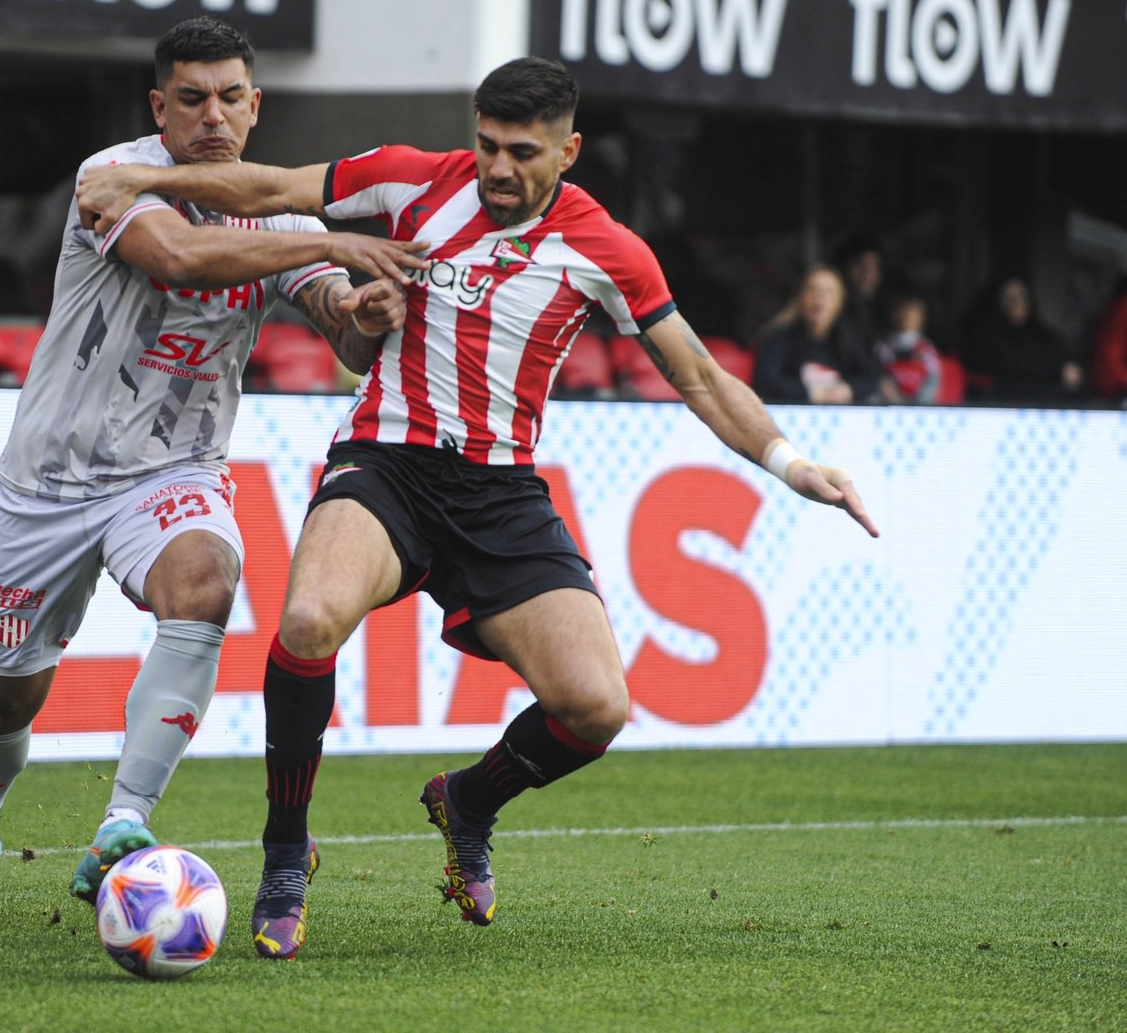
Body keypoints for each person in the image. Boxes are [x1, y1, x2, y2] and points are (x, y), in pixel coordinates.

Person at [77, 57, 879, 959]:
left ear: (567, 151)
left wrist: (787, 461)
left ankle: (467, 802)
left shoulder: (606, 247)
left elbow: (695, 374)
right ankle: (285, 856)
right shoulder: (410, 180)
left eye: (522, 154)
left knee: (596, 708)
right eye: (487, 145)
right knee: (306, 622)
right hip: (385, 465)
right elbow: (270, 187)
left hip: (500, 493)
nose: (498, 169)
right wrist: (145, 176)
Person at [0, 16, 425, 921]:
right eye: (193, 98)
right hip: (45, 483)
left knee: (206, 581)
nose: (214, 116)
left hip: (172, 474)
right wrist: (331, 241)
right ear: (158, 106)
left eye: (231, 97)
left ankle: (123, 823)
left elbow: (348, 341)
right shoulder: (111, 179)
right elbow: (179, 257)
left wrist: (368, 307)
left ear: (255, 105)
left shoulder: (280, 217)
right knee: (4, 701)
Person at [751, 264, 879, 404]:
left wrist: (849, 390)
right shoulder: (778, 338)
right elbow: (765, 381)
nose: (819, 297)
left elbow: (871, 377)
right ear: (800, 297)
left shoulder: (848, 339)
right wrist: (807, 393)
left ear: (839, 303)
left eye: (828, 292)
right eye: (812, 290)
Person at [963, 275, 1083, 404]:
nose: (1017, 303)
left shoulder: (1045, 338)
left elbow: (1068, 373)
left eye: (1022, 297)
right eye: (1009, 298)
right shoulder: (984, 339)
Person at [874, 294, 942, 405]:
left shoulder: (926, 348)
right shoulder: (884, 346)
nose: (905, 316)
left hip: (920, 406)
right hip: (888, 404)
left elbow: (933, 378)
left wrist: (920, 404)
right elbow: (878, 375)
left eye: (911, 312)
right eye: (901, 311)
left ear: (921, 318)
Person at [1090, 275, 1127, 404]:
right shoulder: (1123, 307)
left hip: (1111, 386)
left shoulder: (1118, 306)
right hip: (1113, 391)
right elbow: (1110, 358)